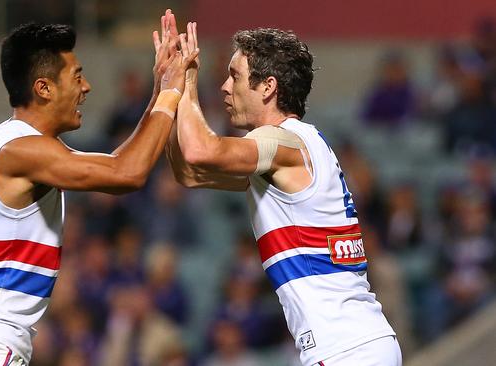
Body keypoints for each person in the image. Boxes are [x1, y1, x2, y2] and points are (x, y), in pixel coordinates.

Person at [0, 13, 199, 365]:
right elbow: (127, 173)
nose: (86, 86)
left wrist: (157, 93)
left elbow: (119, 161)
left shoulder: (16, 142)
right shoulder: (23, 151)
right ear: (43, 88)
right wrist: (171, 91)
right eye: (77, 76)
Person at [166, 18, 401, 366]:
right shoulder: (298, 149)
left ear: (268, 87)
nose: (225, 87)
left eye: (235, 76)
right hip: (358, 343)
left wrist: (183, 81)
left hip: (343, 349)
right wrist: (169, 92)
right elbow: (188, 172)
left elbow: (201, 151)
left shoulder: (281, 142)